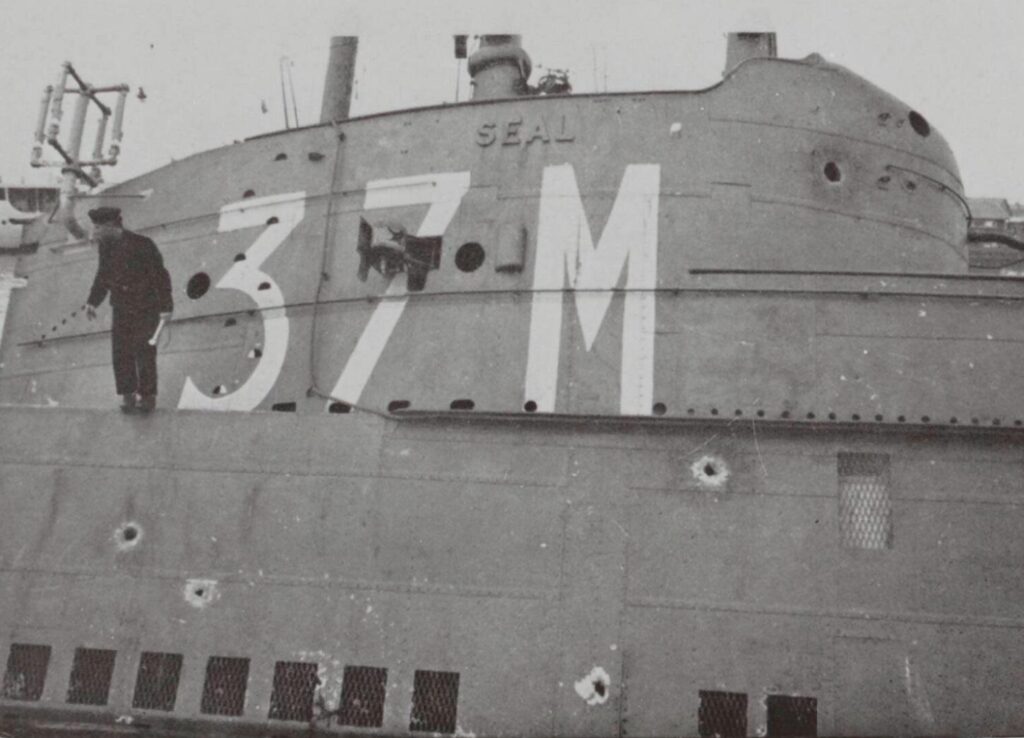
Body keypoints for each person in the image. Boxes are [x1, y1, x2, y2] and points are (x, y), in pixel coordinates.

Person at [85, 207, 173, 413]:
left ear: (110, 226)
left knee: (144, 351)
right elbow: (103, 275)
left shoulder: (142, 245)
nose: (94, 232)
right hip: (121, 306)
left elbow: (161, 277)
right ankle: (128, 395)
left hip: (145, 306)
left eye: (97, 227)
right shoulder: (105, 246)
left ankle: (148, 397)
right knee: (121, 352)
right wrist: (92, 301)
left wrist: (166, 308)